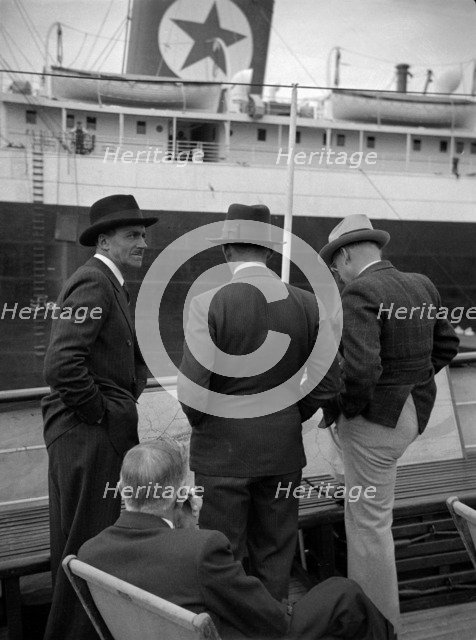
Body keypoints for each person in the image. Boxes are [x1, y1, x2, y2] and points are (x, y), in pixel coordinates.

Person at [178, 203, 341, 602]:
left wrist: (210, 422)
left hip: (222, 454)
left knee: (222, 553)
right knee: (276, 552)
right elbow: (328, 379)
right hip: (282, 449)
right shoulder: (307, 304)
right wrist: (290, 412)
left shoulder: (205, 303)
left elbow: (193, 392)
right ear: (269, 251)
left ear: (226, 251)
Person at [79, 439, 395, 640]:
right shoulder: (200, 549)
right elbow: (272, 622)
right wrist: (192, 528)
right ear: (179, 494)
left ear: (122, 488)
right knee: (344, 594)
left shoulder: (90, 553)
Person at [319, 213, 459, 632]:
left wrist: (347, 410)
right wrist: (411, 384)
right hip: (413, 415)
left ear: (345, 256)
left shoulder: (359, 292)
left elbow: (361, 371)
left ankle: (377, 627)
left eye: (334, 266)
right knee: (374, 517)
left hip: (376, 423)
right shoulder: (422, 284)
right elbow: (447, 345)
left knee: (368, 525)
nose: (336, 275)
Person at [41, 194, 158, 640]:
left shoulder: (111, 283)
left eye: (144, 235)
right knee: (87, 552)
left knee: (89, 548)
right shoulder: (93, 281)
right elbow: (61, 365)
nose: (142, 243)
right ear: (105, 241)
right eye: (132, 235)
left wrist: (131, 389)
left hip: (94, 435)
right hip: (89, 436)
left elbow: (122, 354)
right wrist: (103, 414)